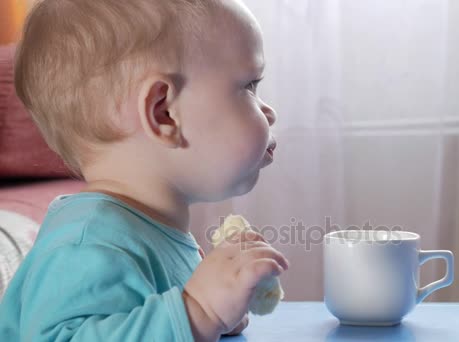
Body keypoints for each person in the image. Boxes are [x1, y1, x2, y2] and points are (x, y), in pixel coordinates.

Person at [0, 0, 289, 341]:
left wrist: (219, 313)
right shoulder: (89, 244)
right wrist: (197, 313)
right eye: (249, 86)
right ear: (163, 113)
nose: (268, 112)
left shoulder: (149, 226)